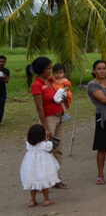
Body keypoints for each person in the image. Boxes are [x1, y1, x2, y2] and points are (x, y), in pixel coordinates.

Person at [30, 57, 69, 188]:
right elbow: (39, 108)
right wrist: (45, 127)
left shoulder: (50, 81)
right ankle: (43, 181)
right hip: (48, 119)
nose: (50, 70)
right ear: (41, 70)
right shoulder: (37, 85)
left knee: (58, 148)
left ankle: (57, 179)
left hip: (58, 117)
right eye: (48, 68)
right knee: (45, 150)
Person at [20, 124, 59, 207]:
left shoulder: (29, 144)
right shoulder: (46, 144)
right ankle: (46, 200)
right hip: (43, 166)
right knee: (44, 182)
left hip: (31, 166)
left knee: (32, 182)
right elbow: (50, 149)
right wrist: (47, 140)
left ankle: (33, 200)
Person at [0, 55, 9, 125]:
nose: (1, 63)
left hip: (2, 91)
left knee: (2, 105)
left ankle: (0, 120)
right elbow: (5, 78)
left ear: (5, 62)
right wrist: (3, 77)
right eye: (0, 61)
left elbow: (7, 80)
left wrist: (3, 78)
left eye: (3, 61)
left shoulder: (6, 70)